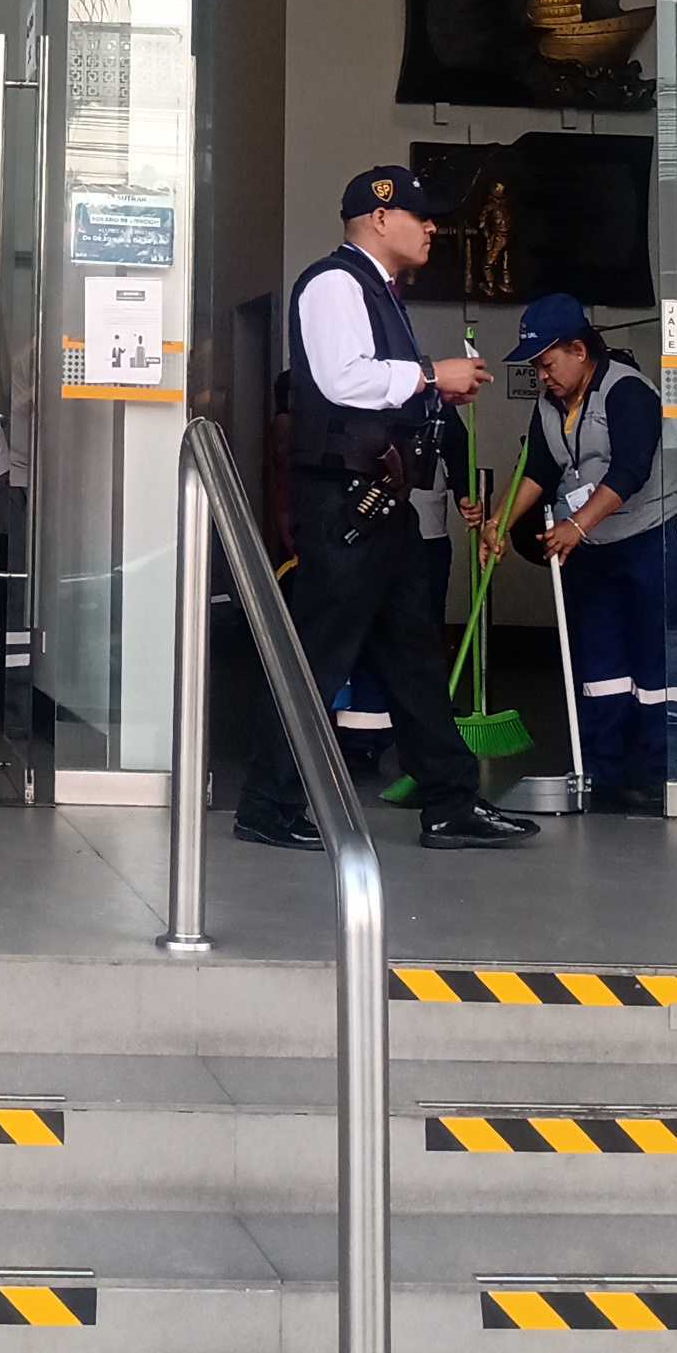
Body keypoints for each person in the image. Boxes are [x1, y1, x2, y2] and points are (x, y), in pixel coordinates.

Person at [247, 168, 534, 853]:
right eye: (419, 214)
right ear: (380, 219)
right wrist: (431, 374)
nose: (432, 226)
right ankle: (267, 803)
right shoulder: (334, 284)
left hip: (382, 504)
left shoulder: (379, 291)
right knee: (320, 656)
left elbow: (375, 387)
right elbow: (342, 379)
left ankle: (450, 802)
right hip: (346, 505)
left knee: (415, 657)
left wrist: (430, 393)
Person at [494, 290, 677, 814]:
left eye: (547, 363)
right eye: (536, 367)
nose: (542, 376)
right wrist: (497, 524)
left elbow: (630, 470)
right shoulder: (549, 405)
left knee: (652, 662)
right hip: (593, 548)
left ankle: (657, 774)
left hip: (648, 537)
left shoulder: (627, 391)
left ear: (579, 350)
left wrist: (576, 524)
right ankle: (605, 771)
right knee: (601, 666)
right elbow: (538, 469)